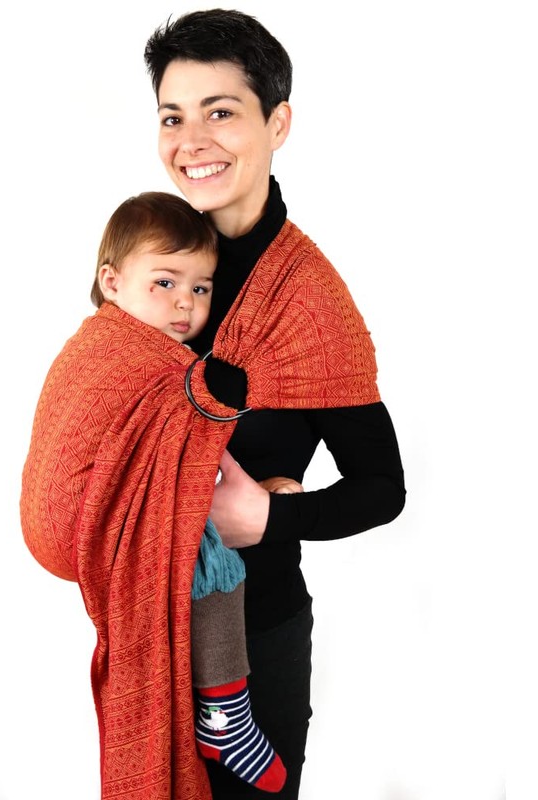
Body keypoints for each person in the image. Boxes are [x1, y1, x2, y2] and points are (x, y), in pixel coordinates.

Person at [143, 9, 407, 799]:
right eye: (173, 117)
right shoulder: (155, 263)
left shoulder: (309, 303)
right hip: (149, 629)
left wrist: (271, 517)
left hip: (254, 647)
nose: (192, 141)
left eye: (220, 111)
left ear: (278, 123)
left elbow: (382, 488)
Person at [21, 191, 302, 798]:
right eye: (166, 282)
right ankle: (224, 714)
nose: (184, 303)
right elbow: (165, 441)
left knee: (199, 523)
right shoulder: (123, 354)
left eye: (201, 288)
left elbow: (169, 455)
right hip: (86, 517)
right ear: (112, 282)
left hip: (90, 514)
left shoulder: (116, 347)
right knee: (216, 563)